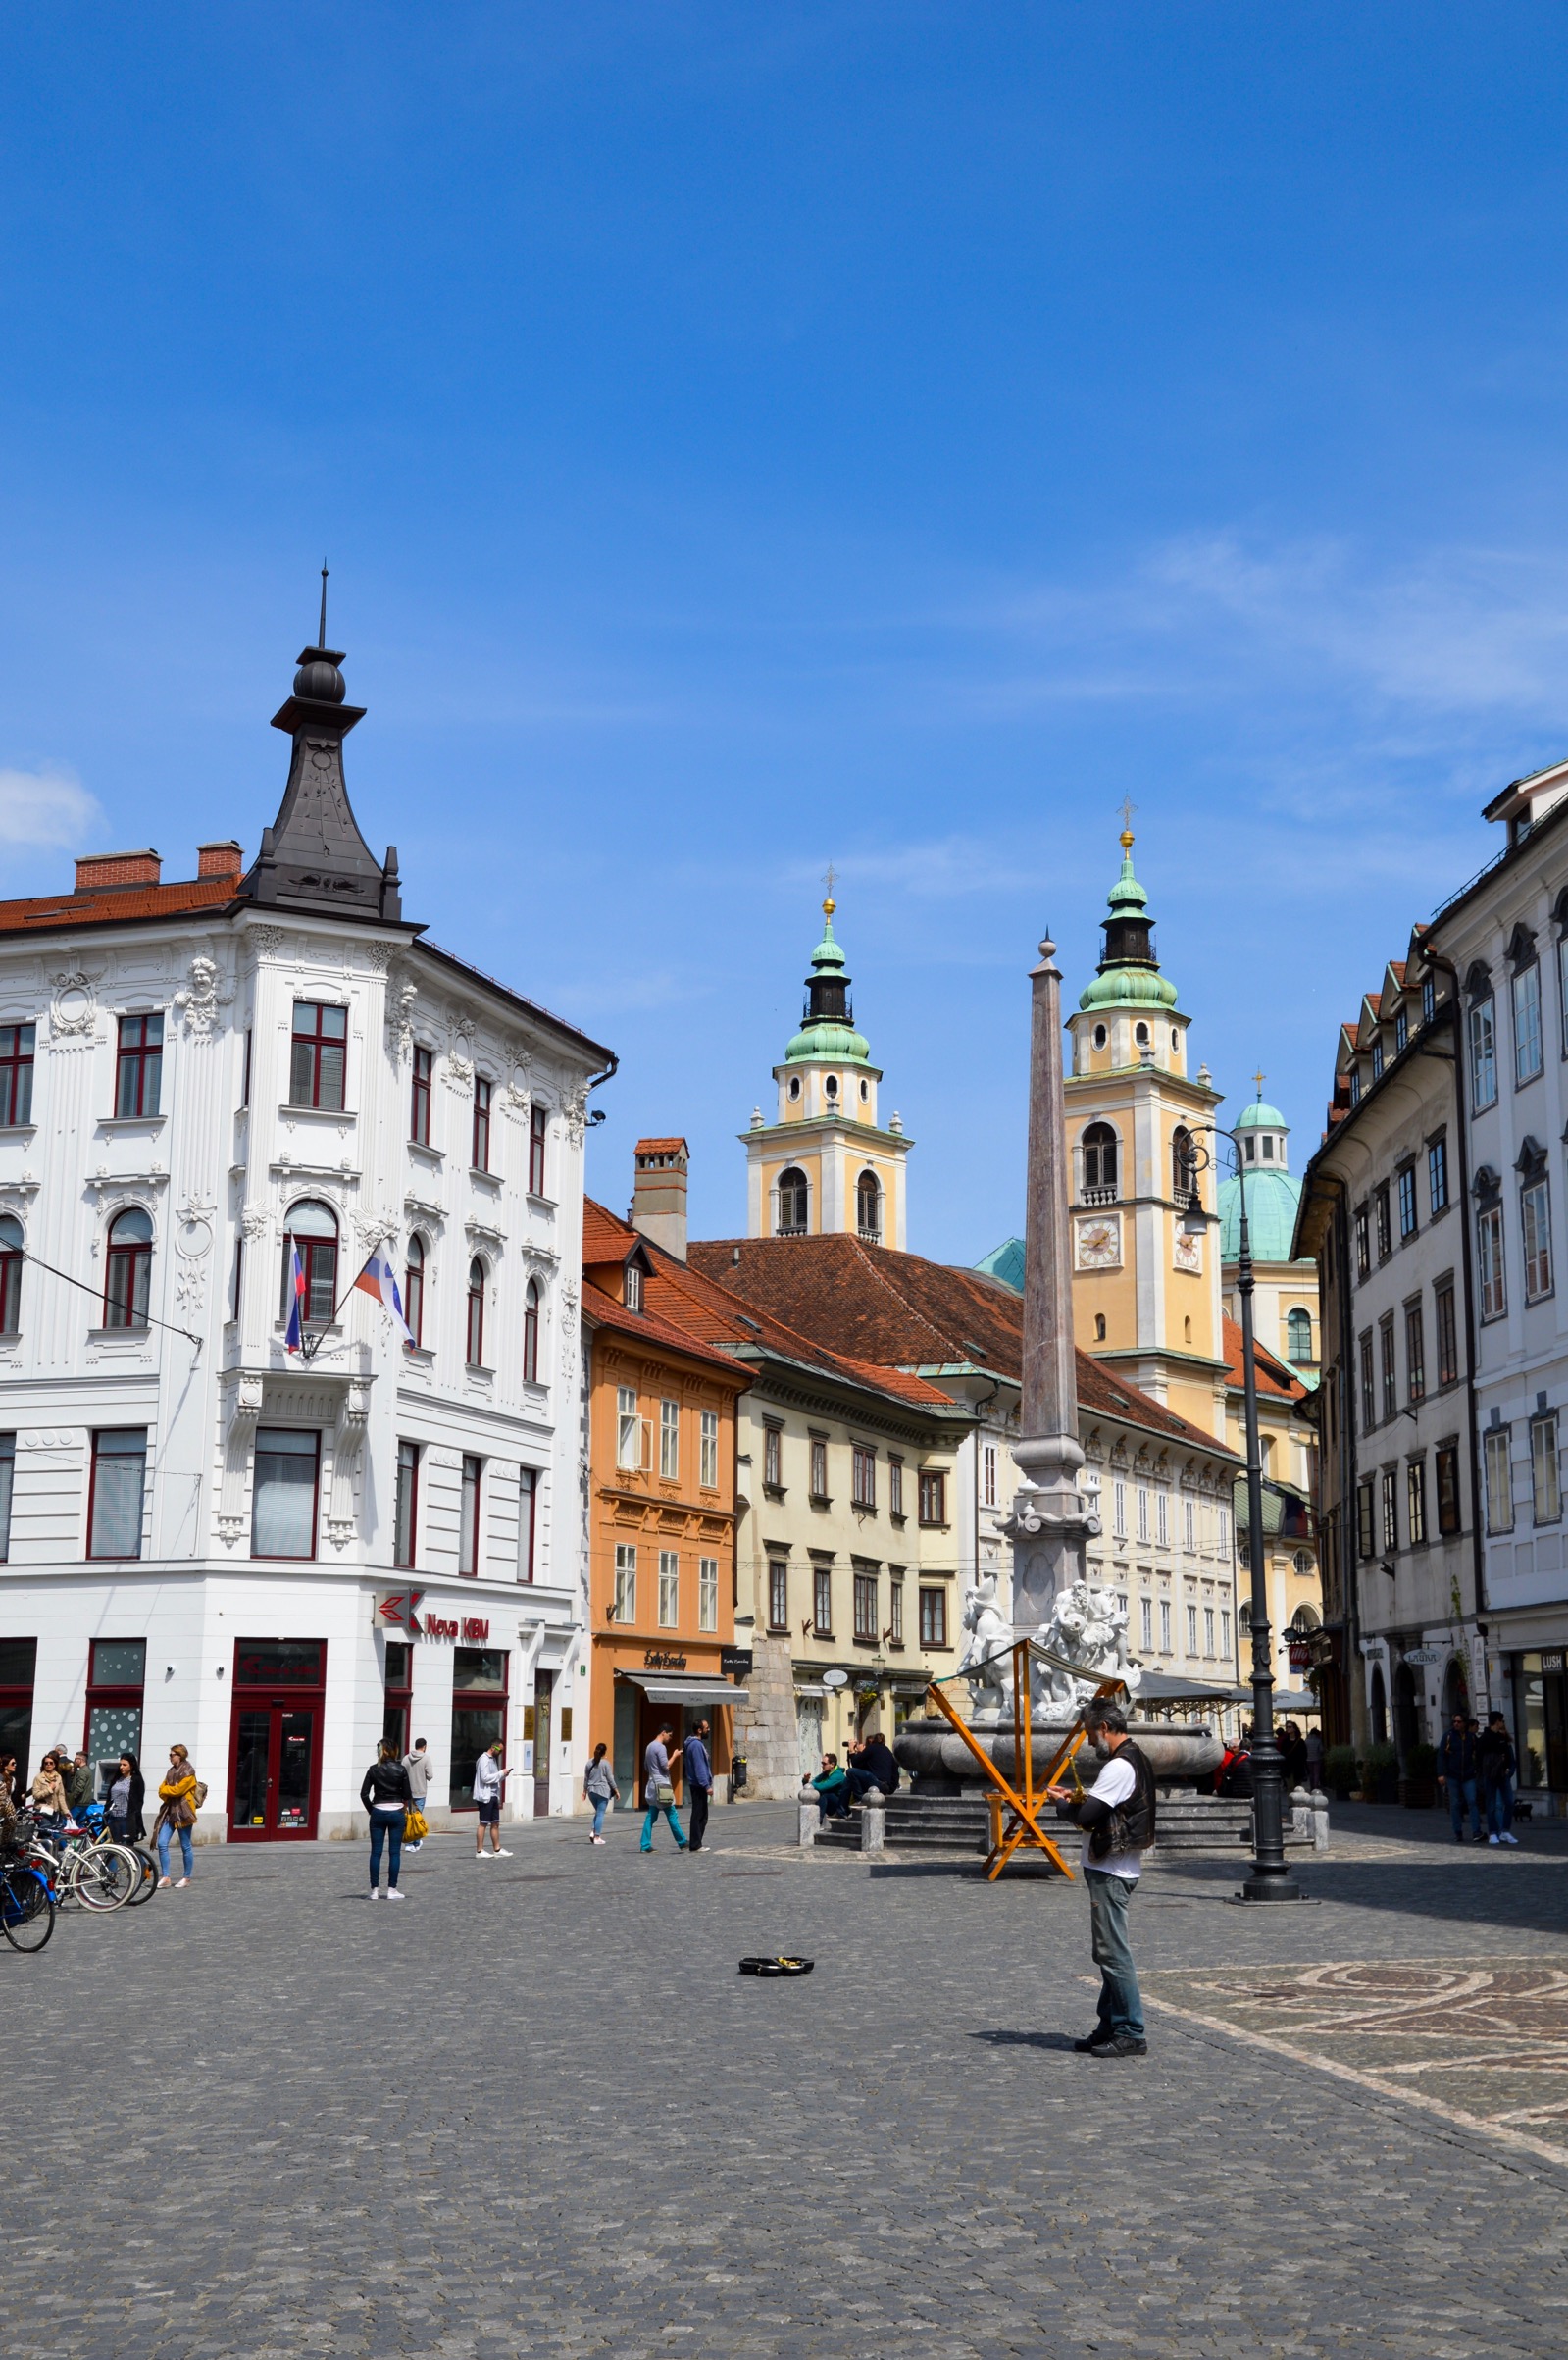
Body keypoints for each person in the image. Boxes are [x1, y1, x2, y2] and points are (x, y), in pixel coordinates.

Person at [1045, 1698, 1156, 2059]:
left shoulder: (1120, 1765)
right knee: (1107, 1950)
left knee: (1113, 1952)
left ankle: (1130, 2030)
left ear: (1104, 1729)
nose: (1091, 1742)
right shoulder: (1135, 1757)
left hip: (1112, 1868)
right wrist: (1079, 1797)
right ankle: (1109, 2024)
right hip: (1117, 1865)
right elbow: (1106, 1805)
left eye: (1092, 1734)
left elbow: (1090, 1816)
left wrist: (1062, 1806)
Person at [361, 1740, 415, 1899]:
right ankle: (392, 1890)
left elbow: (363, 1794)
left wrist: (372, 1810)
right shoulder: (401, 1769)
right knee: (394, 1853)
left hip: (378, 1811)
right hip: (396, 1812)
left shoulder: (373, 1769)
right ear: (394, 1751)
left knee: (376, 1852)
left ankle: (374, 1891)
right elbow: (407, 1795)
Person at [154, 1745, 199, 1887]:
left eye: (172, 1754)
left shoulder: (189, 1772)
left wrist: (168, 1790)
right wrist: (168, 1790)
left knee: (185, 1846)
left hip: (184, 1813)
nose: (170, 1757)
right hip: (170, 1811)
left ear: (180, 1755)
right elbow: (161, 1791)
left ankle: (187, 1877)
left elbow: (178, 1791)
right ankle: (166, 1877)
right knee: (162, 1843)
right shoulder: (170, 1772)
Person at [640, 1723, 688, 1852]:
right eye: (670, 1735)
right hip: (662, 1786)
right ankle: (682, 1841)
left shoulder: (649, 1746)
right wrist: (675, 1755)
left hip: (652, 1784)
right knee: (672, 1814)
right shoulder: (660, 1748)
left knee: (651, 1816)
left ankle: (645, 1844)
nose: (670, 1738)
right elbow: (665, 1766)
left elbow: (646, 1767)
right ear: (663, 1733)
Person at [1436, 1712, 1481, 1843]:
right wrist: (1441, 1774)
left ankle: (1476, 1831)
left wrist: (1476, 1768)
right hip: (1453, 1775)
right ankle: (1458, 1832)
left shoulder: (1471, 1737)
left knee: (1472, 1801)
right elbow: (1441, 1756)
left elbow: (1478, 1752)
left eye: (1459, 1722)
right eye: (1454, 1722)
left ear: (1464, 1723)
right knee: (1455, 1804)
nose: (1456, 1724)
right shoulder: (1448, 1736)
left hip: (1468, 1775)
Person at [1477, 1711, 1519, 1846]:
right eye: (1502, 1721)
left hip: (1502, 1775)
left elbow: (1507, 1755)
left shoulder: (1502, 1737)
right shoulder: (1484, 1738)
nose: (1503, 1723)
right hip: (1489, 1775)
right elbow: (1478, 1758)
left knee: (1509, 1802)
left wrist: (1507, 1769)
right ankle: (1493, 1832)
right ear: (1497, 1722)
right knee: (1491, 1805)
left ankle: (1505, 1831)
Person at [472, 1741, 513, 1858]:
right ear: (493, 1747)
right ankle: (479, 1851)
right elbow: (485, 1778)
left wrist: (503, 1775)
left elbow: (494, 1778)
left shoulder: (493, 1759)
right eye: (499, 1750)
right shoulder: (484, 1759)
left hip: (494, 1795)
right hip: (485, 1796)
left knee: (495, 1823)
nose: (500, 1753)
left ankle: (497, 1848)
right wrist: (500, 1773)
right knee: (483, 1823)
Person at [683, 1719, 715, 1854]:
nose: (709, 1729)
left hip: (697, 1784)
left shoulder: (695, 1744)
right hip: (698, 1785)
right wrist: (706, 1785)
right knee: (698, 1815)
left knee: (702, 1815)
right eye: (707, 1727)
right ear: (699, 1730)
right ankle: (695, 1844)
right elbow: (699, 1767)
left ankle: (696, 1843)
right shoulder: (695, 1745)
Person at [106, 1752, 146, 1850]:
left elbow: (138, 1802)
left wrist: (136, 1821)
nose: (121, 1767)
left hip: (126, 1819)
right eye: (120, 1764)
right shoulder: (116, 1779)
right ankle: (113, 1866)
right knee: (112, 1849)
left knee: (127, 1849)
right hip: (113, 1818)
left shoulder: (136, 1780)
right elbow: (109, 1798)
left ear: (131, 1765)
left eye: (124, 1764)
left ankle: (142, 1865)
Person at [583, 1742, 619, 1842]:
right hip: (603, 1791)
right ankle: (597, 1837)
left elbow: (586, 1778)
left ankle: (593, 1832)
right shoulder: (605, 1763)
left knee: (598, 1812)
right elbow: (610, 1778)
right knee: (600, 1814)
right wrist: (616, 1790)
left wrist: (584, 1790)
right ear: (604, 1753)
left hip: (591, 1791)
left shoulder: (589, 1763)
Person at [401, 1738, 431, 1852]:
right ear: (424, 1746)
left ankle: (408, 1843)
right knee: (417, 1818)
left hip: (408, 1792)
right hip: (420, 1792)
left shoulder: (406, 1758)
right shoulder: (426, 1758)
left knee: (408, 1817)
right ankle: (416, 1842)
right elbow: (430, 1775)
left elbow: (401, 1773)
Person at [30, 1749, 68, 1825]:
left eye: (51, 1763)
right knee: (47, 1832)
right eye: (46, 1763)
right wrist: (49, 1789)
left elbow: (61, 1796)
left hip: (54, 1811)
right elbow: (36, 1795)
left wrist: (65, 1811)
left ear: (54, 1765)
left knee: (48, 1833)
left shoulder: (58, 1777)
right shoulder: (39, 1778)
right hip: (41, 1810)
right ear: (43, 1765)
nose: (48, 1764)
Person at [812, 1752, 851, 1820]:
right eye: (822, 1763)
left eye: (824, 1763)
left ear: (832, 1764)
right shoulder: (826, 1773)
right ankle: (815, 1819)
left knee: (824, 1794)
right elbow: (814, 1782)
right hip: (834, 1804)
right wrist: (805, 1781)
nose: (822, 1765)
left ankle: (818, 1821)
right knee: (819, 1794)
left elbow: (821, 1787)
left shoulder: (838, 1775)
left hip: (843, 1807)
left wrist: (812, 1784)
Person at [63, 1749, 95, 1816]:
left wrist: (72, 1798)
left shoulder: (82, 1771)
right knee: (80, 1824)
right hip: (85, 1803)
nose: (74, 1761)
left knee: (67, 1820)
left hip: (79, 1803)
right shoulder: (87, 1770)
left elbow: (80, 1787)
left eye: (75, 1759)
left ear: (80, 1760)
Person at [1304, 1726, 1325, 1790]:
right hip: (1317, 1758)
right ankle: (1316, 1786)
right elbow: (1321, 1750)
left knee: (1311, 1774)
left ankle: (1312, 1787)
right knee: (1316, 1773)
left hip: (1308, 1759)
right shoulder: (1318, 1740)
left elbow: (1304, 1749)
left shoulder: (1306, 1741)